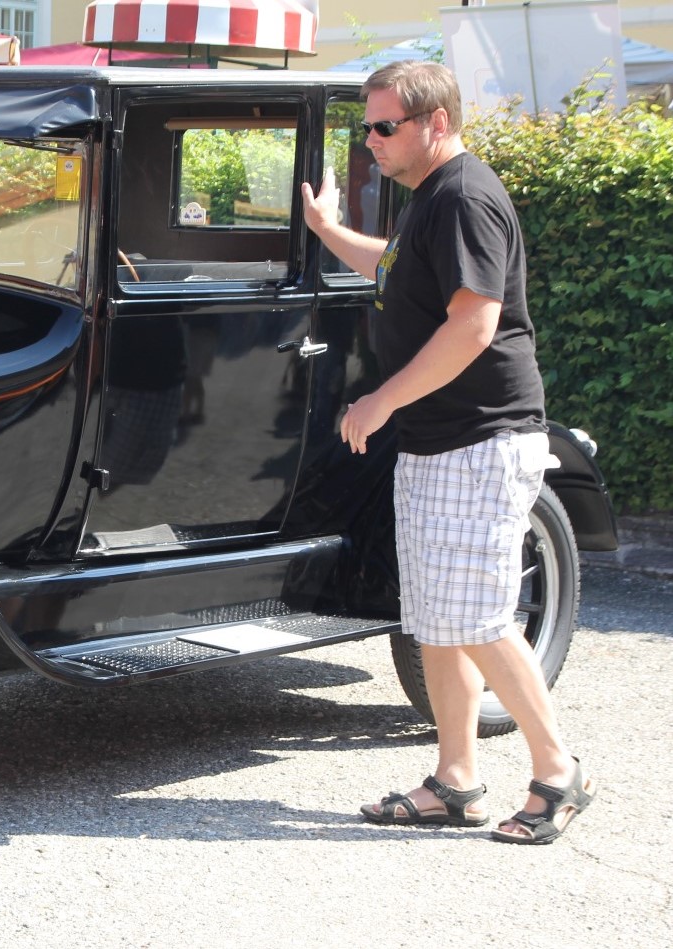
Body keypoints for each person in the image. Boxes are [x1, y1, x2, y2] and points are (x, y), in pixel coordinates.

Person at [301, 61, 595, 844]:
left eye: (384, 126)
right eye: (366, 126)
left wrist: (380, 399)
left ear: (435, 123)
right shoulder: (428, 199)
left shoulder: (464, 195)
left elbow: (474, 323)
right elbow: (395, 273)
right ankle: (456, 780)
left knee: (479, 617)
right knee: (434, 616)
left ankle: (557, 770)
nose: (371, 142)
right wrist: (330, 232)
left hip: (481, 439)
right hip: (438, 443)